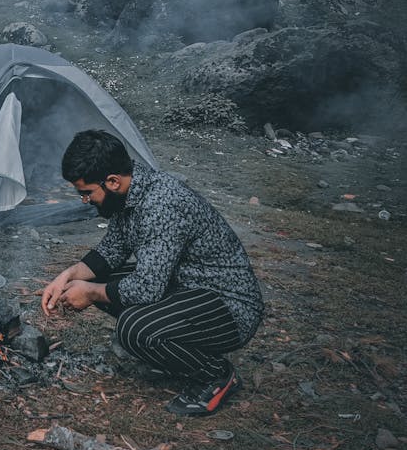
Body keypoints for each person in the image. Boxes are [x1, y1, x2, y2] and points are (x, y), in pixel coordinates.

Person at [41, 130, 264, 417]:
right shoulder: (128, 194)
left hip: (229, 306)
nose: (84, 200)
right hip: (188, 285)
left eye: (87, 192)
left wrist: (90, 292)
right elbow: (111, 250)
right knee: (95, 281)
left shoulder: (162, 205)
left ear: (112, 181)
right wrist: (69, 276)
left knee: (135, 330)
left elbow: (147, 288)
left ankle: (217, 375)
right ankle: (171, 348)